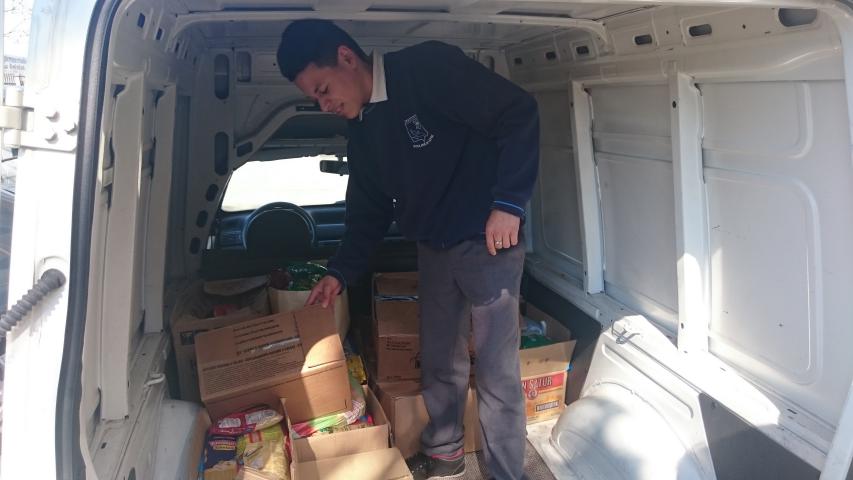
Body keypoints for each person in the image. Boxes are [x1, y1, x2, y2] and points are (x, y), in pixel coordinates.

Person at [277, 20, 539, 480]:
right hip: (433, 247)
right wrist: (339, 272)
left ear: (346, 58)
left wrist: (509, 204)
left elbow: (518, 113)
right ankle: (446, 453)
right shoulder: (363, 129)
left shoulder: (428, 69)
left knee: (496, 370)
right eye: (315, 99)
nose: (325, 105)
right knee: (439, 360)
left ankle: (505, 473)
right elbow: (368, 212)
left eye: (323, 90)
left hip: (487, 241)